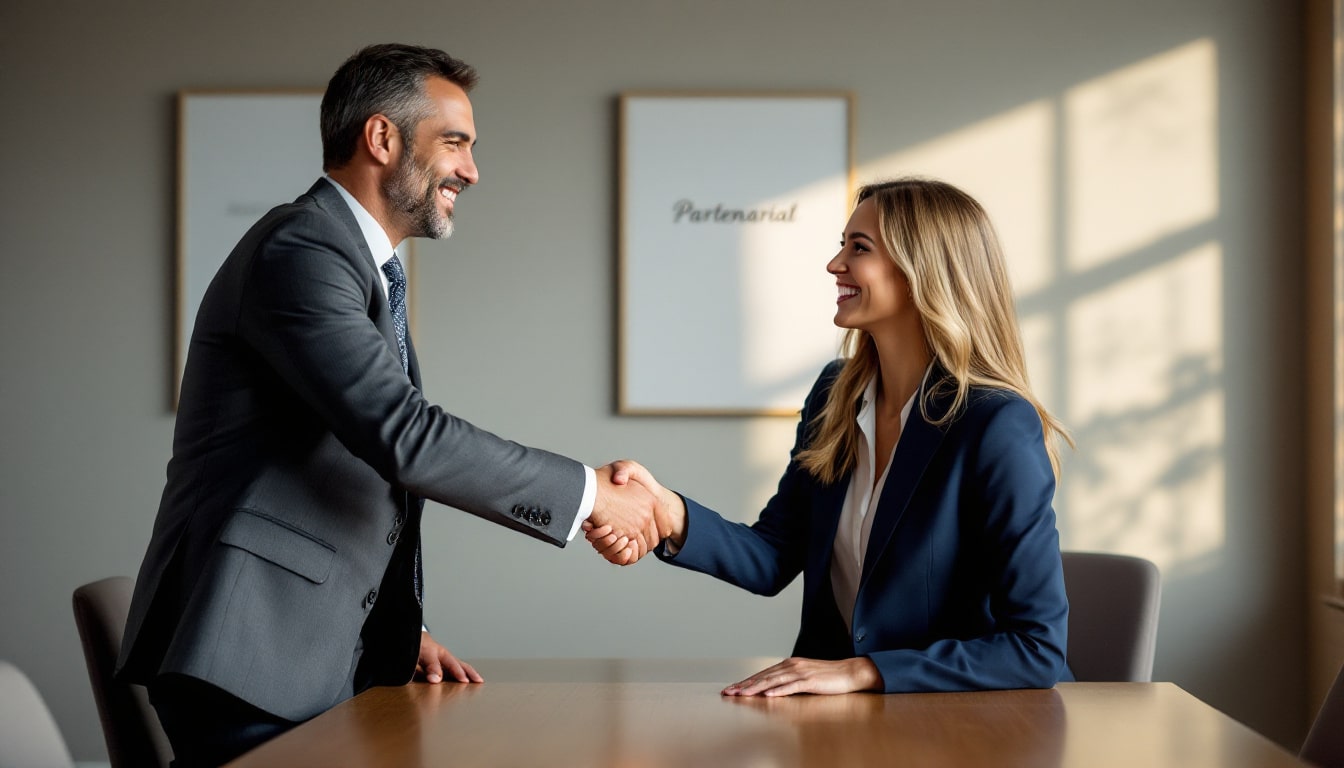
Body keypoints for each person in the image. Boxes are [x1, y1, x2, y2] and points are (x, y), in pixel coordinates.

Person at [116, 43, 656, 766]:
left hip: (295, 652)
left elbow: (343, 470)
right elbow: (405, 438)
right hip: (246, 661)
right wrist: (590, 496)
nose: (470, 169)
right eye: (455, 143)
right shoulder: (302, 251)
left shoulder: (352, 264)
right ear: (381, 138)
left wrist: (386, 636)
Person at [588, 178, 1074, 696]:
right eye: (842, 245)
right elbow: (774, 555)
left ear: (919, 273)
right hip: (850, 726)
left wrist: (863, 670)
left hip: (969, 727)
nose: (834, 264)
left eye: (858, 248)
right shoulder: (834, 394)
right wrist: (667, 510)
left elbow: (1036, 647)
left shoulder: (994, 422)